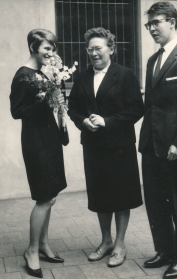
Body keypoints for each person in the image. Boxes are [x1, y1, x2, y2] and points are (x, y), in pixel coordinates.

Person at [68, 27, 144, 267]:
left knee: (121, 195)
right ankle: (106, 241)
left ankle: (120, 244)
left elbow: (136, 109)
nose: (93, 53)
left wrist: (107, 122)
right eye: (89, 49)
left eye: (98, 48)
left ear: (111, 48)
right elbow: (73, 108)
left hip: (119, 145)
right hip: (93, 146)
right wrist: (82, 122)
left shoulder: (125, 75)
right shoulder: (81, 77)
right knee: (100, 194)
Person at [139, 2, 177, 279]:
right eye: (148, 24)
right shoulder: (153, 60)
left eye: (157, 22)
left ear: (173, 22)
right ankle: (164, 250)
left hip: (176, 147)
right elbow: (151, 105)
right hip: (151, 145)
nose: (152, 28)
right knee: (155, 201)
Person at [10, 29, 68, 278]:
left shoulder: (46, 72)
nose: (51, 52)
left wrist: (58, 103)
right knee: (44, 197)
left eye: (53, 48)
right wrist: (42, 100)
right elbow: (17, 111)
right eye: (47, 48)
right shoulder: (23, 75)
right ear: (33, 47)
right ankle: (31, 251)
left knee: (51, 195)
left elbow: (54, 103)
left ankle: (43, 244)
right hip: (35, 141)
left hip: (50, 137)